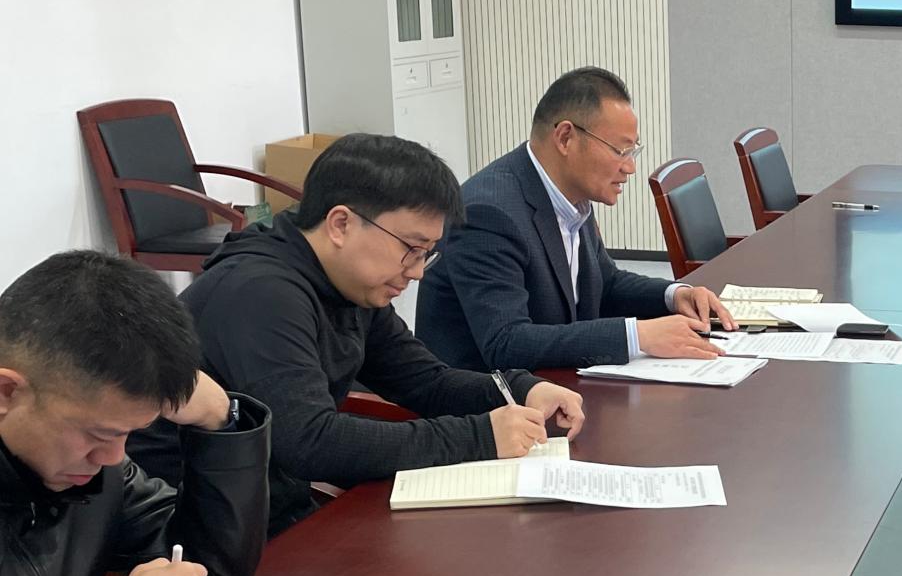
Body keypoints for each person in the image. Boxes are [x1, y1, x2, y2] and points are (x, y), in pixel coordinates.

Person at [133, 133, 584, 534]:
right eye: (411, 249)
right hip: (192, 534)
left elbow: (425, 381)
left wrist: (520, 389)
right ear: (341, 224)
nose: (417, 272)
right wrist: (481, 436)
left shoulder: (350, 284)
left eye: (427, 253)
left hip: (271, 511)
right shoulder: (260, 293)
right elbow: (308, 441)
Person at [0, 251, 271, 576]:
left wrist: (221, 421)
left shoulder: (95, 470)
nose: (113, 457)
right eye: (99, 434)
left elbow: (211, 570)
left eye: (130, 433)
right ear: (6, 392)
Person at [417, 66, 736, 370]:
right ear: (566, 138)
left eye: (632, 152)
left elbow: (604, 285)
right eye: (620, 151)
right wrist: (636, 336)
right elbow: (507, 342)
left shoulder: (571, 194)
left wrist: (675, 296)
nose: (630, 167)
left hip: (554, 385)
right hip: (491, 399)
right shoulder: (489, 213)